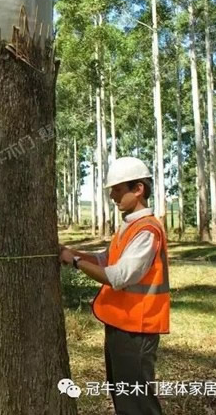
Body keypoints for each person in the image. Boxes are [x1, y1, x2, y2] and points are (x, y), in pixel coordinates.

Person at [60, 156, 170, 415]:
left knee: (137, 402)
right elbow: (106, 259)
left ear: (138, 189)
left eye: (118, 190)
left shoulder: (147, 231)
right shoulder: (129, 226)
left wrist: (75, 261)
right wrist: (76, 252)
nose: (112, 196)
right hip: (122, 325)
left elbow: (119, 275)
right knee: (123, 395)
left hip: (137, 328)